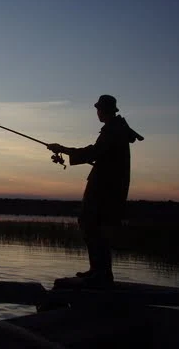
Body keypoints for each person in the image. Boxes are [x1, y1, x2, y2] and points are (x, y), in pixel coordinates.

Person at [47, 95, 143, 286]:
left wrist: (63, 149)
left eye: (98, 109)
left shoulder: (113, 130)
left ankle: (101, 273)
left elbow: (95, 152)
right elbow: (102, 154)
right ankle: (98, 271)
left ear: (104, 110)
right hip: (108, 185)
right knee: (95, 225)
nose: (97, 112)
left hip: (105, 186)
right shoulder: (116, 129)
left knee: (90, 223)